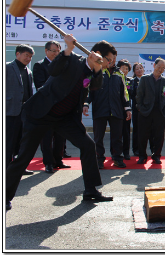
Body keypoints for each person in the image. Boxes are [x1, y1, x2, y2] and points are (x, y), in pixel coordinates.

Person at [6, 35, 115, 211]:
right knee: (24, 156)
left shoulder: (94, 70)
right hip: (41, 114)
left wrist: (96, 68)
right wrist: (68, 49)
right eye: (109, 59)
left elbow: (95, 86)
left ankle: (90, 190)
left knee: (88, 145)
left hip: (65, 118)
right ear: (97, 54)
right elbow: (53, 70)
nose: (110, 63)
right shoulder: (71, 59)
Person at [83, 53, 131, 169]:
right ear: (104, 59)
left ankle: (117, 158)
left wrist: (127, 108)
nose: (112, 60)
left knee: (117, 137)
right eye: (109, 58)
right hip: (100, 109)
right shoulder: (97, 72)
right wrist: (86, 103)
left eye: (114, 58)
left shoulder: (119, 74)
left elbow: (125, 93)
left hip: (116, 110)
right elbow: (89, 90)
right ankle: (99, 159)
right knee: (98, 137)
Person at [33, 40, 70, 173]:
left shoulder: (64, 66)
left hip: (61, 106)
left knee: (60, 135)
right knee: (47, 137)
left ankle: (58, 160)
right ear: (46, 51)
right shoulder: (39, 65)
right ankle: (48, 162)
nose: (56, 53)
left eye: (58, 51)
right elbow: (40, 86)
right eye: (53, 51)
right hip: (47, 107)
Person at [135, 58, 165, 164]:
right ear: (154, 65)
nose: (160, 69)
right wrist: (140, 108)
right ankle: (142, 156)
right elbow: (139, 95)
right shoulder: (145, 79)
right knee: (143, 135)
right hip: (145, 111)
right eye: (159, 66)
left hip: (159, 112)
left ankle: (156, 155)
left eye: (163, 68)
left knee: (159, 135)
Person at [6, 44, 34, 175]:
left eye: (30, 56)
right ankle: (6, 167)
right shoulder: (7, 67)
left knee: (21, 142)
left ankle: (19, 167)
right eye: (26, 55)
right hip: (9, 111)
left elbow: (28, 92)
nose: (28, 58)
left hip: (24, 112)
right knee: (8, 142)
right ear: (17, 54)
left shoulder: (28, 71)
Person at [116, 59, 132, 160]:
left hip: (127, 110)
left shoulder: (130, 81)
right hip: (117, 109)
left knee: (126, 132)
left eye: (127, 69)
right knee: (116, 133)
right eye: (123, 68)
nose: (125, 70)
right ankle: (116, 153)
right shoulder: (115, 79)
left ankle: (126, 152)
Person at [130, 63, 144, 156]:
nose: (139, 70)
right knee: (136, 129)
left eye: (141, 68)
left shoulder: (146, 79)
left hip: (145, 109)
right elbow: (131, 95)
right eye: (137, 69)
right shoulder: (132, 81)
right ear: (134, 71)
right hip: (136, 108)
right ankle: (136, 149)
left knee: (144, 130)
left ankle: (143, 149)